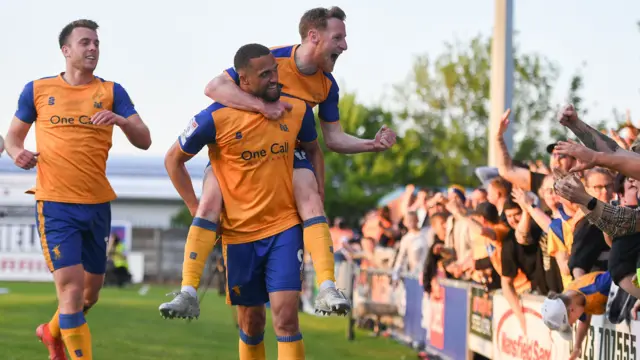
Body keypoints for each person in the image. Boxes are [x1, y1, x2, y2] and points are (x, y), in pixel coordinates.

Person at [160, 6, 397, 319]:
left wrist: (371, 144)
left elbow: (332, 139)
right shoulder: (272, 59)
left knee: (311, 198)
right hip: (240, 146)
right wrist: (261, 107)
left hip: (287, 148)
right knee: (209, 202)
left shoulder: (327, 86)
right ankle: (188, 291)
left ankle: (327, 286)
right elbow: (214, 87)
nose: (344, 46)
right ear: (313, 36)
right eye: (338, 38)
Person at [3, 19, 151, 360]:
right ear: (66, 50)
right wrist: (17, 153)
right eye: (85, 42)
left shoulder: (113, 92)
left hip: (97, 204)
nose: (93, 48)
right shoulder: (37, 90)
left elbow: (145, 140)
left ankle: (51, 332)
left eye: (96, 43)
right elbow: (13, 137)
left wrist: (121, 120)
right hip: (55, 204)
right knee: (69, 291)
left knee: (89, 295)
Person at [164, 43, 317, 359]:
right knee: (251, 322)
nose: (275, 78)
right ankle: (187, 290)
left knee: (286, 317)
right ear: (243, 81)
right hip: (239, 235)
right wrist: (195, 207)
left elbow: (315, 149)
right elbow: (172, 160)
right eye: (265, 75)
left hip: (284, 227)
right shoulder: (215, 118)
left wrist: (318, 197)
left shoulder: (295, 109)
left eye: (275, 70)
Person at [541, 271, 612, 360]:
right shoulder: (570, 298)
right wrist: (577, 347)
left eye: (571, 323)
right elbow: (584, 319)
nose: (574, 323)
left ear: (572, 310)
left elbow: (624, 270)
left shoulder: (599, 286)